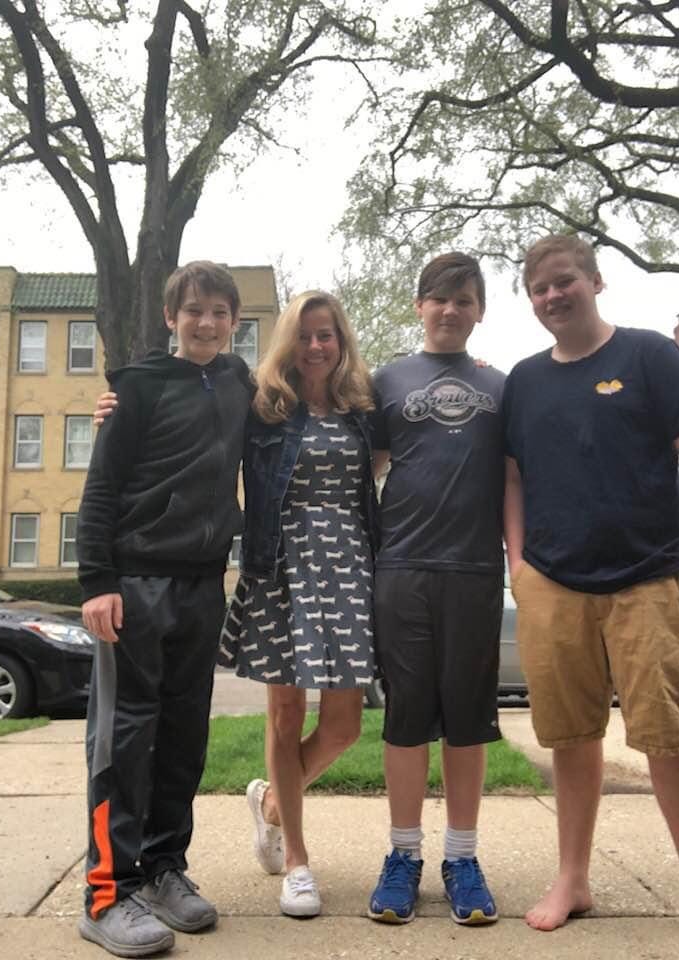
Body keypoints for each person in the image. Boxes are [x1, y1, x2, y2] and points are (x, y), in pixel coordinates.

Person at [503, 233, 679, 953]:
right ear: (530, 302)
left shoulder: (648, 355)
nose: (553, 296)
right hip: (553, 583)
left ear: (594, 281)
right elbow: (512, 475)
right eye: (539, 289)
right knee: (569, 737)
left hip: (648, 579)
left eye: (564, 281)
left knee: (667, 741)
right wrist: (518, 565)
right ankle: (572, 878)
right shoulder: (525, 381)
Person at [76, 261, 251, 958]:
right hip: (135, 581)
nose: (205, 322)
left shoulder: (240, 382)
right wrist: (96, 582)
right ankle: (104, 891)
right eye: (193, 311)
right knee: (123, 738)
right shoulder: (139, 388)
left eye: (218, 311)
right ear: (170, 318)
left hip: (202, 584)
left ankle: (161, 869)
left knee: (183, 736)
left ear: (234, 321)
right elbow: (102, 489)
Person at [218, 290, 378, 918]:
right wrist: (119, 414)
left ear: (341, 342)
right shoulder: (262, 407)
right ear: (290, 341)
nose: (316, 346)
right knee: (285, 715)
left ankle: (269, 807)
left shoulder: (364, 406)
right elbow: (193, 423)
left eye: (327, 335)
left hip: (350, 567)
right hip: (281, 564)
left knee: (344, 726)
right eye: (306, 335)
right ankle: (297, 860)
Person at [367, 252, 505, 925]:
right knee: (406, 717)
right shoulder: (385, 380)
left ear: (479, 310)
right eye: (438, 298)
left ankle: (461, 857)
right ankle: (401, 857)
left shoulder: (503, 386)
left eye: (464, 299)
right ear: (418, 304)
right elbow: (362, 468)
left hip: (475, 573)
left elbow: (513, 476)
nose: (450, 310)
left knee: (467, 720)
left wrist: (520, 555)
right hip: (400, 570)